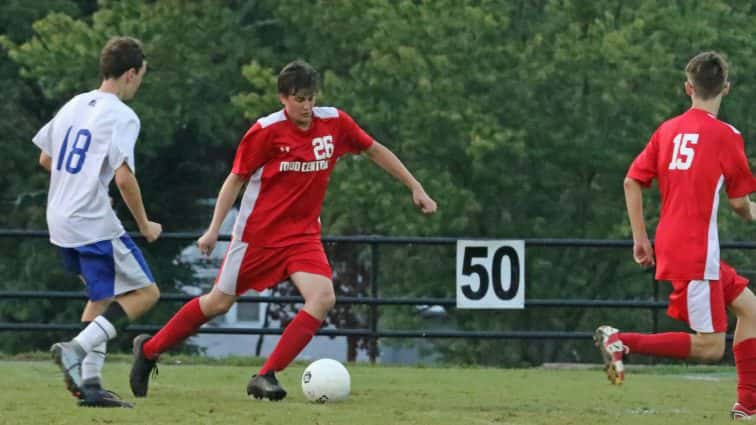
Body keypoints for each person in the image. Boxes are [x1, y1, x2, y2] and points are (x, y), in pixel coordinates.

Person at [129, 59, 437, 401]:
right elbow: (235, 180)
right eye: (299, 99)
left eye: (310, 98)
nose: (306, 106)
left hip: (303, 235)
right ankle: (150, 350)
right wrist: (213, 230)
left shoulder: (334, 122)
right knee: (217, 304)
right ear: (283, 98)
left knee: (322, 297)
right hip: (258, 237)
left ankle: (265, 375)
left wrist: (415, 187)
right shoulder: (265, 131)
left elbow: (374, 150)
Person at [594, 51, 756, 419]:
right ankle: (620, 341)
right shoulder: (727, 136)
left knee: (752, 310)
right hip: (697, 252)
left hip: (677, 243)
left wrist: (640, 238)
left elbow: (631, 181)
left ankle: (747, 404)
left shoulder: (667, 130)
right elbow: (740, 206)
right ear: (725, 89)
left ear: (688, 88)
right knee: (710, 347)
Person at [35, 36, 162, 408]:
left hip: (59, 219)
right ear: (130, 73)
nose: (139, 83)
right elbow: (123, 177)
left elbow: (46, 158)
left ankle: (90, 386)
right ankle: (75, 348)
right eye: (140, 76)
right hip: (91, 222)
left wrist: (80, 182)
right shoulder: (122, 115)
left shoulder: (74, 104)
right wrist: (145, 224)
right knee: (145, 294)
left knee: (101, 296)